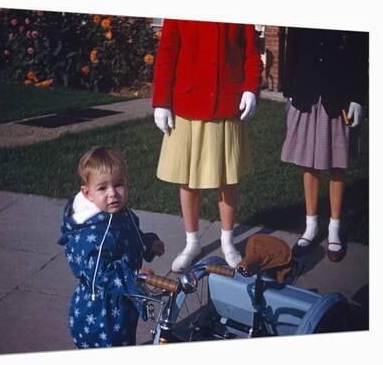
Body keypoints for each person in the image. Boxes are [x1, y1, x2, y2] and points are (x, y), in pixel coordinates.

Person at [152, 19, 262, 271]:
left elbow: (251, 52)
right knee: (188, 179)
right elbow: (166, 54)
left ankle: (227, 241)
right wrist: (161, 101)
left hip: (226, 102)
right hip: (188, 102)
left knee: (227, 178)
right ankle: (192, 242)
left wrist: (250, 88)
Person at [57, 146, 165, 348]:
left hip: (122, 301)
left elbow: (130, 238)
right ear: (87, 193)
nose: (113, 194)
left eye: (119, 185)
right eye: (102, 188)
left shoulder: (122, 214)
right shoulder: (90, 233)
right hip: (100, 311)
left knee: (124, 342)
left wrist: (149, 244)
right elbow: (98, 272)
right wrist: (132, 275)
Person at [281, 27, 368, 262]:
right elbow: (293, 47)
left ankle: (334, 229)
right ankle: (311, 226)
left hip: (339, 93)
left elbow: (362, 52)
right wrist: (288, 89)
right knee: (309, 163)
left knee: (337, 164)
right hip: (306, 90)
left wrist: (359, 97)